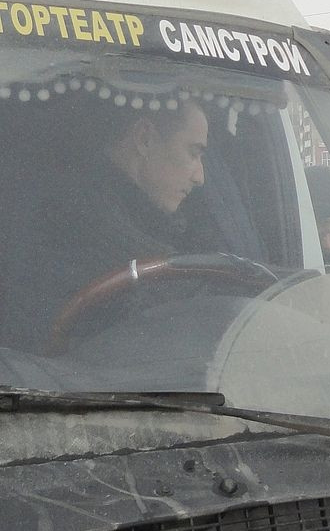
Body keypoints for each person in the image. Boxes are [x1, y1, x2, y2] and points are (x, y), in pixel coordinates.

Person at [0, 98, 209, 352]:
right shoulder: (73, 215)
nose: (200, 177)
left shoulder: (142, 217)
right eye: (193, 153)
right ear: (144, 139)